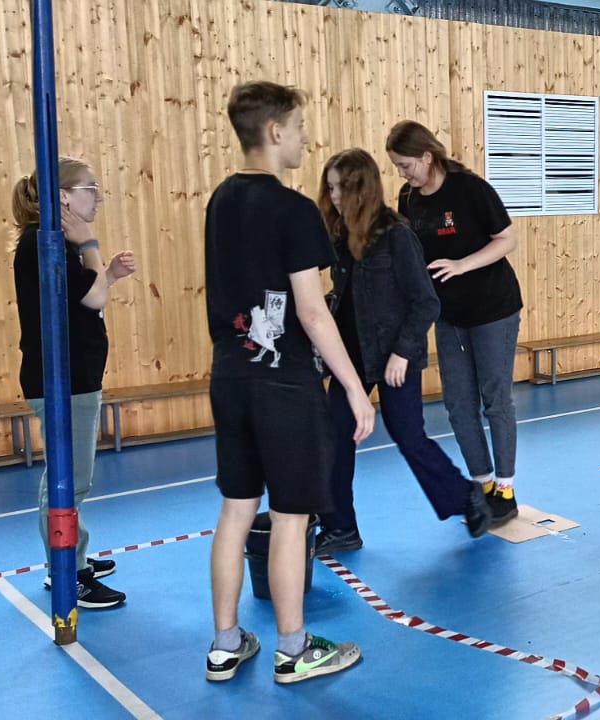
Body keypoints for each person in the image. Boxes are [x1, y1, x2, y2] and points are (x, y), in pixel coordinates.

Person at [203, 81, 373, 685]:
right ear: (275, 132)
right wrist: (354, 387)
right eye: (299, 127)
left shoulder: (220, 200)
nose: (304, 138)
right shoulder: (294, 210)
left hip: (230, 377)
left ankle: (225, 644)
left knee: (236, 511)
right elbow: (312, 311)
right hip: (283, 387)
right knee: (291, 516)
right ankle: (294, 649)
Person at [313, 148, 495, 554]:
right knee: (334, 438)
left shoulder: (397, 235)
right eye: (330, 188)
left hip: (395, 355)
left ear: (361, 189)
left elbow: (426, 302)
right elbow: (343, 296)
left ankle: (466, 496)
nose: (334, 196)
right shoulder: (340, 235)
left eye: (341, 188)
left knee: (408, 436)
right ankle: (341, 528)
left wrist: (402, 353)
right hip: (351, 358)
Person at [11, 157, 136, 609]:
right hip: (62, 382)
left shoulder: (54, 244)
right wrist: (90, 245)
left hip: (76, 377)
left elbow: (85, 298)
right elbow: (94, 296)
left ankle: (71, 555)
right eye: (90, 189)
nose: (97, 197)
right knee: (69, 480)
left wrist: (109, 273)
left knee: (72, 476)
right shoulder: (45, 244)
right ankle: (67, 571)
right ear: (63, 197)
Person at [387, 121, 523, 524]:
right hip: (447, 315)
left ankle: (505, 489)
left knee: (495, 399)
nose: (402, 174)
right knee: (459, 404)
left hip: (493, 308)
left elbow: (507, 239)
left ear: (428, 156)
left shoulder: (470, 189)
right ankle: (482, 486)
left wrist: (462, 265)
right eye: (397, 167)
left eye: (406, 165)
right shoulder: (409, 198)